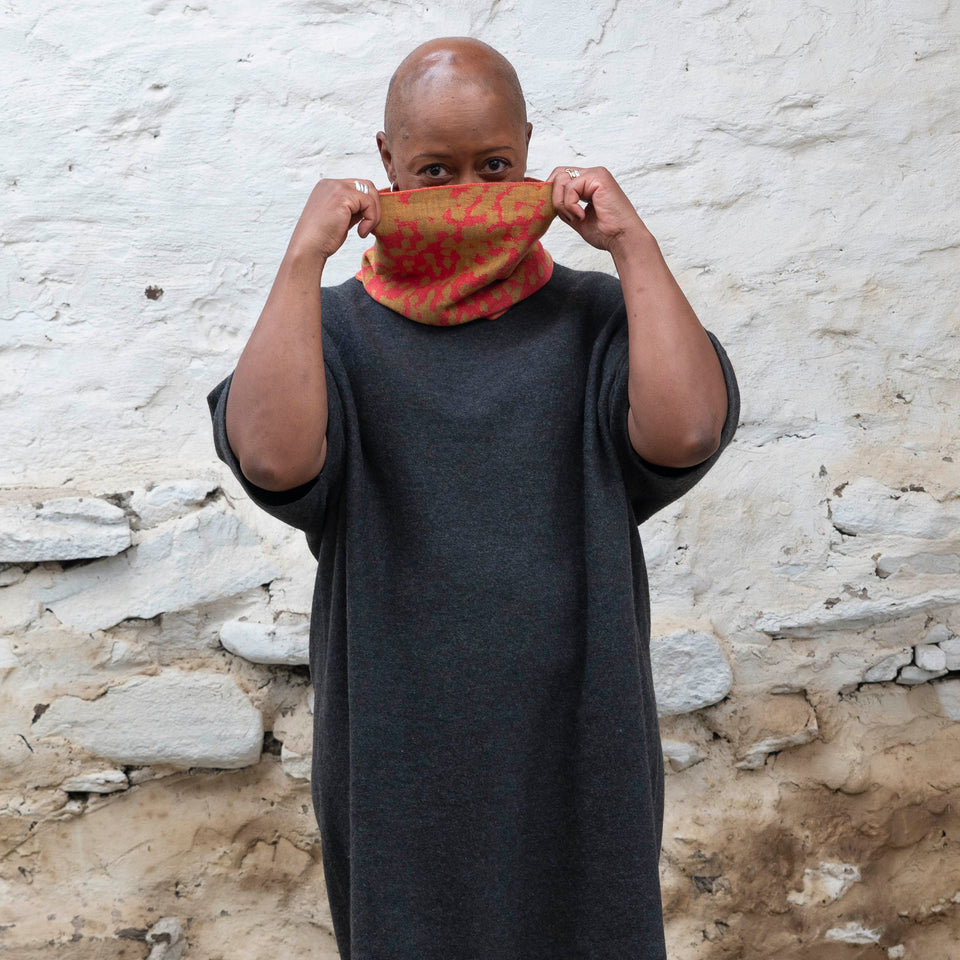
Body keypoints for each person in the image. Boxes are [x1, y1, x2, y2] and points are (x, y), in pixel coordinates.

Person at [209, 37, 738, 960]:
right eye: (433, 170)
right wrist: (301, 262)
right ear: (386, 166)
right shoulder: (330, 334)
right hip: (395, 755)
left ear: (530, 147)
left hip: (582, 737)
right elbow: (273, 456)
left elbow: (687, 429)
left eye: (494, 165)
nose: (466, 191)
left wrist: (631, 245)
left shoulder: (599, 321)